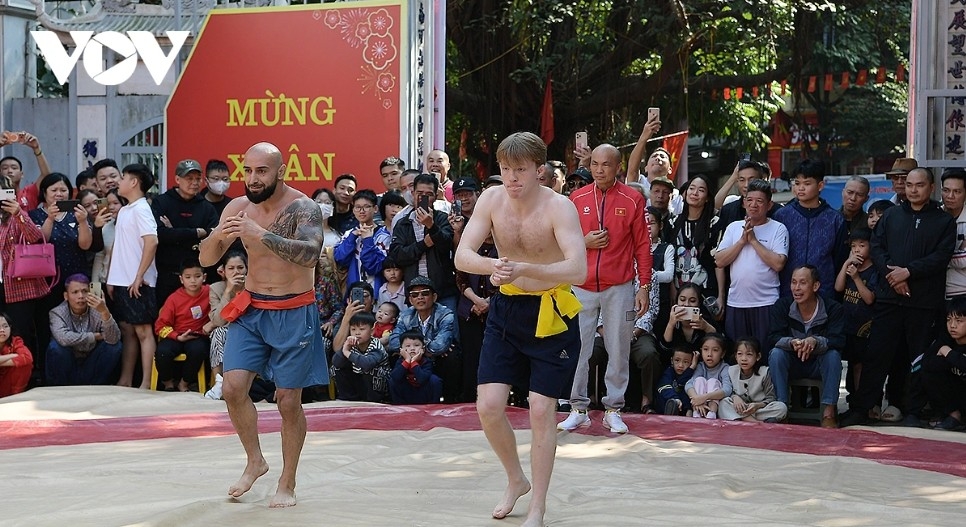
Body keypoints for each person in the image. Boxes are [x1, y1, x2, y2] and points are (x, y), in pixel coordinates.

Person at [453, 131, 586, 527]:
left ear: (539, 171)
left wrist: (527, 268)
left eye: (520, 170)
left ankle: (539, 505)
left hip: (551, 312)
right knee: (489, 407)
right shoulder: (492, 200)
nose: (511, 178)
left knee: (542, 409)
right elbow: (463, 255)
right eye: (505, 170)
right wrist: (492, 267)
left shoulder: (559, 208)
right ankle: (516, 479)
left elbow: (577, 268)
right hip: (506, 309)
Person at [198, 141, 327, 508]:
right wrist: (219, 236)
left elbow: (310, 253)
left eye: (262, 171)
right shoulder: (237, 206)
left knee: (288, 402)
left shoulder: (303, 207)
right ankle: (255, 460)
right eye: (248, 171)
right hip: (252, 308)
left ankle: (288, 481)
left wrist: (260, 235)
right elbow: (209, 258)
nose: (252, 179)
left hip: (294, 309)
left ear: (280, 171)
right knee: (232, 388)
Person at [841, 168, 956, 428]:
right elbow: (877, 248)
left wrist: (909, 272)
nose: (913, 189)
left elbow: (941, 256)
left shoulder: (943, 221)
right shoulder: (891, 215)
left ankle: (912, 409)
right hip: (889, 298)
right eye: (910, 185)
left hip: (923, 301)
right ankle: (863, 407)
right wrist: (894, 276)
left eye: (920, 185)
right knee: (877, 354)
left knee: (918, 358)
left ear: (931, 188)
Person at [558, 143, 651, 434]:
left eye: (606, 164)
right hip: (581, 284)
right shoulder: (575, 198)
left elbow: (643, 245)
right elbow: (563, 239)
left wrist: (644, 285)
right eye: (594, 164)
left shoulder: (634, 199)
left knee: (618, 347)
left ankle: (613, 408)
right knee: (578, 348)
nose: (599, 170)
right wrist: (584, 242)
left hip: (620, 285)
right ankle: (578, 408)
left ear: (618, 167)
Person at [714, 179, 789, 347]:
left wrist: (753, 241)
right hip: (736, 302)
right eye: (750, 200)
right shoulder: (734, 227)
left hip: (766, 303)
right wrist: (741, 241)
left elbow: (778, 264)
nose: (753, 204)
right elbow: (719, 261)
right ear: (743, 203)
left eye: (759, 201)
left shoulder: (778, 228)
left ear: (769, 205)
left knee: (764, 353)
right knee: (738, 353)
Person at [767, 265, 844, 429]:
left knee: (833, 356)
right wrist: (791, 342)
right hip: (793, 362)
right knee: (776, 354)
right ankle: (781, 409)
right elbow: (773, 337)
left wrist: (815, 341)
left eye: (802, 283)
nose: (796, 288)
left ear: (815, 286)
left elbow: (838, 340)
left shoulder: (832, 309)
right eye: (793, 282)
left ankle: (829, 412)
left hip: (818, 364)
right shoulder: (782, 306)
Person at [107, 164, 159, 390]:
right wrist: (112, 277)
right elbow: (119, 248)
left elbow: (152, 241)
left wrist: (138, 276)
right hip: (122, 281)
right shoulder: (126, 210)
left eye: (123, 177)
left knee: (144, 331)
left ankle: (147, 382)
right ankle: (126, 380)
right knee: (128, 331)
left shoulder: (141, 209)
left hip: (138, 282)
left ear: (134, 182)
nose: (118, 181)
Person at [773, 159, 847, 297]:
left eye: (807, 183)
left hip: (824, 293)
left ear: (820, 186)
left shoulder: (835, 219)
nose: (800, 188)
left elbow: (839, 260)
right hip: (788, 292)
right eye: (797, 183)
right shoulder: (782, 216)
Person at [152, 159, 219, 305]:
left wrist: (175, 233)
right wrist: (196, 233)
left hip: (196, 279)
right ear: (177, 179)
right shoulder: (162, 202)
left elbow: (213, 237)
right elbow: (160, 235)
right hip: (168, 276)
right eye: (189, 178)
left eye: (197, 179)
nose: (194, 183)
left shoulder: (206, 208)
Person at [388, 173, 458, 312]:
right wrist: (423, 244)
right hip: (414, 294)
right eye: (420, 193)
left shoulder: (443, 218)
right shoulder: (403, 223)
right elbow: (397, 256)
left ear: (435, 196)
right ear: (413, 193)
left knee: (447, 333)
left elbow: (447, 247)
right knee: (415, 334)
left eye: (429, 194)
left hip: (443, 292)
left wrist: (431, 226)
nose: (423, 198)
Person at [629, 207, 674, 412]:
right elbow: (601, 306)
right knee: (593, 351)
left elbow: (650, 311)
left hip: (639, 330)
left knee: (648, 353)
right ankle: (593, 399)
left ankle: (646, 401)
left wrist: (634, 333)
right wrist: (607, 330)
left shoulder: (651, 274)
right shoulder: (611, 267)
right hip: (608, 329)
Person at [386, 276, 458, 402]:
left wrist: (411, 347)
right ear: (410, 299)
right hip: (417, 358)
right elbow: (393, 342)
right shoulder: (405, 315)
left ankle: (449, 399)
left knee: (451, 354)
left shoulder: (446, 314)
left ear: (434, 297)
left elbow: (440, 346)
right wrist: (417, 349)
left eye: (425, 293)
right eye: (414, 295)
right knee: (393, 355)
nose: (420, 297)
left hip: (437, 359)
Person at [46, 274, 121, 386]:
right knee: (55, 348)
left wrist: (104, 312)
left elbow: (114, 339)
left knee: (114, 346)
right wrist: (94, 336)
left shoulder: (98, 309)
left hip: (91, 364)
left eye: (84, 291)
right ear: (66, 296)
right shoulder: (57, 312)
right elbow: (63, 338)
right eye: (75, 292)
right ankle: (60, 389)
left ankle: (96, 387)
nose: (81, 296)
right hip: (69, 363)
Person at [833, 228, 877, 407]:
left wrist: (857, 277)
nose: (857, 250)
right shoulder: (851, 267)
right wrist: (846, 265)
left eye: (862, 245)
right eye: (854, 246)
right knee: (851, 364)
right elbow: (838, 288)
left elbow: (869, 298)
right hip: (848, 324)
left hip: (864, 327)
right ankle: (853, 400)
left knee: (861, 365)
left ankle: (862, 403)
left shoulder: (874, 270)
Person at [154, 259, 211, 392]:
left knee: (198, 351)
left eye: (197, 276)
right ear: (181, 279)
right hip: (177, 335)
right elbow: (160, 326)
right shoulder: (174, 298)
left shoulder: (210, 292)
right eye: (188, 277)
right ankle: (168, 384)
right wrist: (177, 336)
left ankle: (184, 383)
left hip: (198, 336)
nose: (193, 281)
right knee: (163, 352)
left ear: (204, 277)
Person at [455, 228, 498, 403]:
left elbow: (506, 280)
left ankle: (495, 400)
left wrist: (488, 302)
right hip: (469, 309)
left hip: (496, 310)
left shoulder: (503, 250)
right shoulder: (468, 250)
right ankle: (469, 398)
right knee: (471, 356)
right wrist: (476, 301)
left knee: (494, 357)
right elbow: (460, 278)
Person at [672, 174, 724, 317]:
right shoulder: (674, 222)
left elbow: (718, 262)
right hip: (679, 291)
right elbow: (670, 260)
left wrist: (721, 296)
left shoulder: (715, 223)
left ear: (707, 197)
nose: (694, 193)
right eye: (691, 188)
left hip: (706, 291)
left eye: (701, 190)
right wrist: (672, 290)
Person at [205, 251, 248, 400]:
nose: (236, 272)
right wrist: (228, 291)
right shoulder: (216, 288)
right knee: (218, 332)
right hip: (228, 329)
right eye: (231, 268)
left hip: (250, 329)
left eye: (240, 267)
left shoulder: (254, 286)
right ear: (223, 271)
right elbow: (218, 321)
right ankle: (219, 381)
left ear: (247, 269)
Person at [334, 189, 390, 294]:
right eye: (358, 207)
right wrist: (352, 237)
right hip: (353, 292)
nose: (362, 211)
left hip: (377, 294)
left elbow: (373, 267)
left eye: (367, 207)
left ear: (375, 209)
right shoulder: (349, 234)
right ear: (353, 209)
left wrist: (368, 240)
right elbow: (340, 259)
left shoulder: (384, 236)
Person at [922, 297, 966, 430]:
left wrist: (948, 353)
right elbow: (927, 365)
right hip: (958, 395)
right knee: (929, 373)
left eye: (959, 321)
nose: (952, 325)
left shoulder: (945, 348)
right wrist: (956, 359)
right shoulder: (945, 341)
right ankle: (954, 415)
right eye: (949, 320)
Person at [719, 337, 788, 422]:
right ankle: (754, 421)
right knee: (723, 402)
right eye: (740, 354)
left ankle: (742, 419)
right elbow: (728, 391)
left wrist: (757, 405)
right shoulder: (731, 370)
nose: (744, 358)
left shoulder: (765, 372)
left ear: (758, 356)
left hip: (758, 409)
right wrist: (735, 397)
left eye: (749, 354)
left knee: (781, 407)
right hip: (739, 407)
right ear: (736, 356)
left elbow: (771, 397)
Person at [331, 311, 389, 402]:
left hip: (378, 386)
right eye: (353, 329)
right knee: (336, 368)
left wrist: (347, 352)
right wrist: (345, 348)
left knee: (372, 370)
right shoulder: (351, 343)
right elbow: (336, 362)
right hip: (359, 379)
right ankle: (347, 398)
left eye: (362, 329)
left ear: (372, 331)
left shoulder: (376, 346)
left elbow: (367, 364)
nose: (357, 333)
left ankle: (373, 401)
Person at [684, 333, 732, 419]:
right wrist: (697, 399)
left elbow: (727, 389)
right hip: (699, 405)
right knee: (699, 380)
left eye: (715, 350)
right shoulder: (700, 366)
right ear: (701, 350)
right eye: (705, 349)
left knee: (712, 381)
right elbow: (689, 384)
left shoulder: (725, 368)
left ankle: (711, 413)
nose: (709, 354)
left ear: (722, 354)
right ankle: (697, 412)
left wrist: (704, 397)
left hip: (715, 406)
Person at [388, 329, 443, 404]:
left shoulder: (426, 362)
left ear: (423, 349)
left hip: (422, 393)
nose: (412, 348)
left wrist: (413, 362)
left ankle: (433, 406)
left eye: (416, 345)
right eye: (408, 346)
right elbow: (395, 377)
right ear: (401, 350)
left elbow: (421, 379)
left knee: (435, 380)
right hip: (407, 393)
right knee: (393, 381)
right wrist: (407, 361)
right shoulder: (400, 361)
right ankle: (400, 408)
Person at [661, 282, 717, 353]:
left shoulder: (705, 320)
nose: (686, 304)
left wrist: (706, 327)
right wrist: (671, 325)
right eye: (682, 299)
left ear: (699, 303)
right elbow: (664, 349)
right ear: (677, 301)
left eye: (692, 301)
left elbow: (720, 343)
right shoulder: (669, 319)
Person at [0, 130, 49, 211]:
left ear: (22, 174)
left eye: (14, 167)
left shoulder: (29, 193)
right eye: (5, 168)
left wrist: (36, 148)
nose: (9, 171)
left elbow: (46, 176)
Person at [942, 168, 966, 298]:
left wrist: (936, 256)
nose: (950, 196)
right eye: (946, 190)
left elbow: (963, 260)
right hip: (936, 292)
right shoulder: (933, 216)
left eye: (957, 191)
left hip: (962, 292)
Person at [657, 347, 698, 416]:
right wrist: (675, 399)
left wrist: (691, 368)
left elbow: (681, 383)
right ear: (671, 361)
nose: (681, 365)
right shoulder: (669, 372)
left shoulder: (692, 374)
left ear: (691, 363)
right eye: (677, 360)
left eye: (685, 362)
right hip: (665, 406)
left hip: (684, 409)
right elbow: (664, 387)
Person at [0, 312, 32, 397]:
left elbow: (27, 358)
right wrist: (13, 356)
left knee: (25, 365)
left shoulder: (15, 341)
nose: (2, 330)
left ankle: (15, 397)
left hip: (7, 385)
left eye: (5, 326)